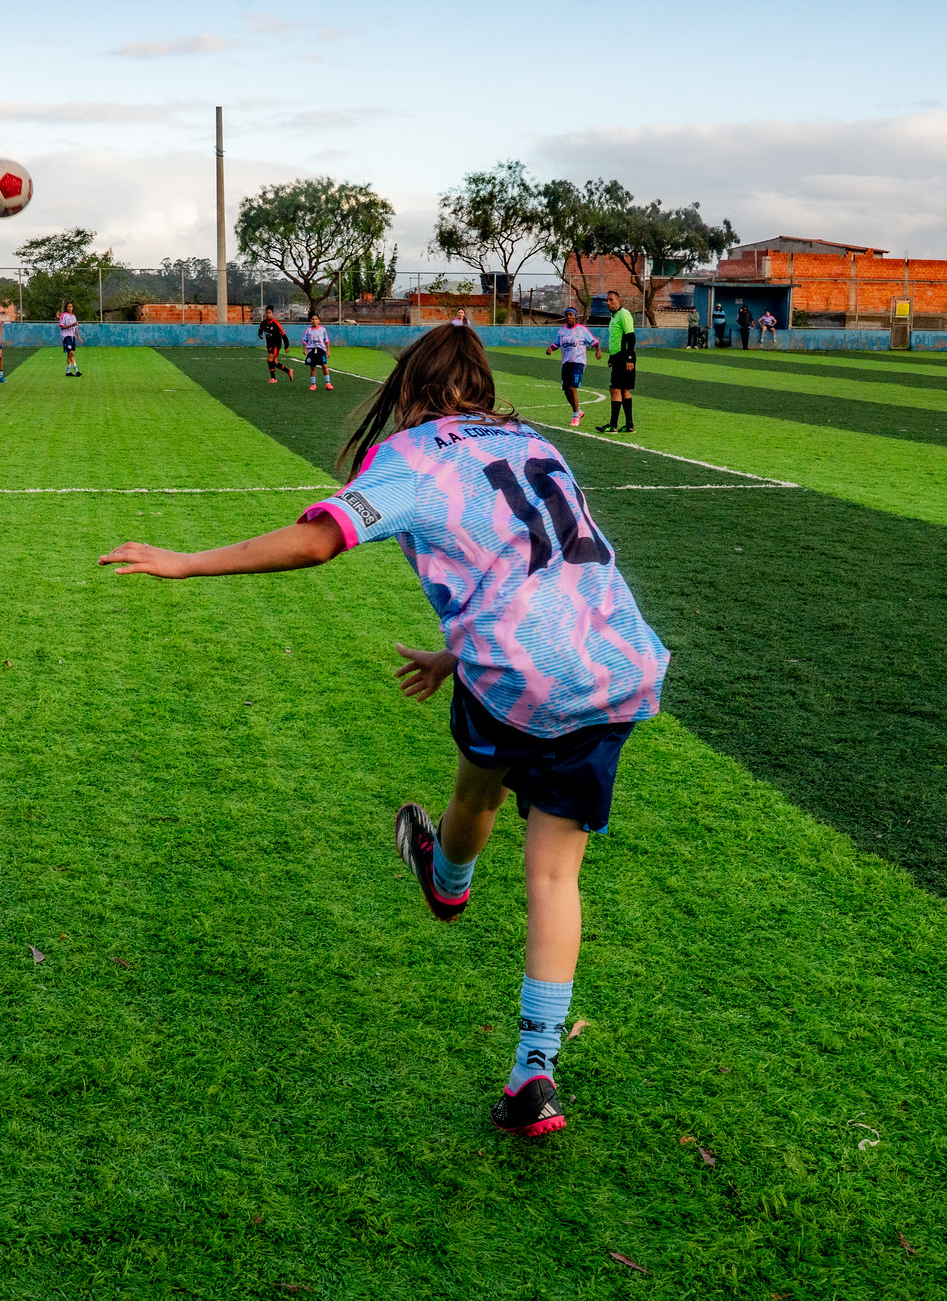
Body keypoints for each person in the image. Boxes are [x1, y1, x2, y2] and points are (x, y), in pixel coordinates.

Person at [98, 324, 666, 1140]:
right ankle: (533, 1072)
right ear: (480, 383)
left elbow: (317, 541)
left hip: (517, 673)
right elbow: (542, 567)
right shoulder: (533, 440)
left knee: (479, 790)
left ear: (411, 386)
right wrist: (453, 652)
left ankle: (447, 879)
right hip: (618, 663)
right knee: (553, 876)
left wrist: (185, 560)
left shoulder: (411, 455)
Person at [545, 306, 601, 428]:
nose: (568, 317)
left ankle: (575, 416)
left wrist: (598, 350)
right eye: (566, 315)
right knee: (566, 390)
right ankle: (579, 411)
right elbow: (556, 344)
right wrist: (550, 349)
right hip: (566, 363)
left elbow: (595, 342)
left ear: (575, 316)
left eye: (571, 314)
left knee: (572, 388)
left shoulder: (582, 330)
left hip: (578, 362)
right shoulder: (562, 331)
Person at [597, 291, 635, 434]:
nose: (608, 303)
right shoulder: (614, 317)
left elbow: (630, 337)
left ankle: (613, 425)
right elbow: (617, 340)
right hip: (618, 357)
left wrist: (629, 358)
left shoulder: (624, 314)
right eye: (607, 300)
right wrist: (612, 358)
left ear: (618, 300)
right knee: (623, 390)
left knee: (615, 389)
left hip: (624, 357)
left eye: (611, 300)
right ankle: (629, 425)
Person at [258, 305, 292, 383]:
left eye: (270, 313)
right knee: (275, 362)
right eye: (267, 313)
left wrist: (286, 346)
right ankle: (288, 371)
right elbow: (260, 330)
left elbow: (283, 334)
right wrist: (260, 335)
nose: (268, 314)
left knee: (269, 359)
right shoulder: (263, 323)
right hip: (269, 344)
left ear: (272, 314)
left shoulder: (275, 324)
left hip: (276, 344)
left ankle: (273, 378)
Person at [301, 312, 332, 389]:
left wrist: (328, 351)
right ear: (311, 320)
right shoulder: (308, 330)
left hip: (321, 350)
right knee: (312, 367)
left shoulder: (322, 329)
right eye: (313, 319)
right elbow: (304, 340)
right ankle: (313, 384)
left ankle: (328, 383)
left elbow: (326, 341)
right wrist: (304, 349)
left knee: (324, 366)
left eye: (316, 319)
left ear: (319, 320)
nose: (314, 320)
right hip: (312, 351)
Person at [58, 301, 82, 377]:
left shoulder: (73, 316)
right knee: (71, 353)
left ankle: (68, 372)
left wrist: (78, 336)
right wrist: (72, 325)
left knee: (69, 354)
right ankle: (76, 370)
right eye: (68, 306)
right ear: (66, 307)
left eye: (71, 306)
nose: (70, 308)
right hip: (66, 336)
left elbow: (75, 328)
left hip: (72, 336)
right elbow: (62, 326)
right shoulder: (64, 315)